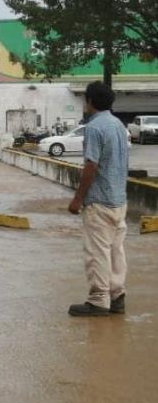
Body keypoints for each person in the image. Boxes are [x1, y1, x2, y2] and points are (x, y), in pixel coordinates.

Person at [68, 81, 129, 317]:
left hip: (99, 201)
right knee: (116, 250)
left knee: (97, 251)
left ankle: (98, 300)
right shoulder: (118, 125)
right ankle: (117, 296)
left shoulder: (94, 128)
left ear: (89, 101)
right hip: (118, 200)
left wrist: (77, 199)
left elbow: (91, 165)